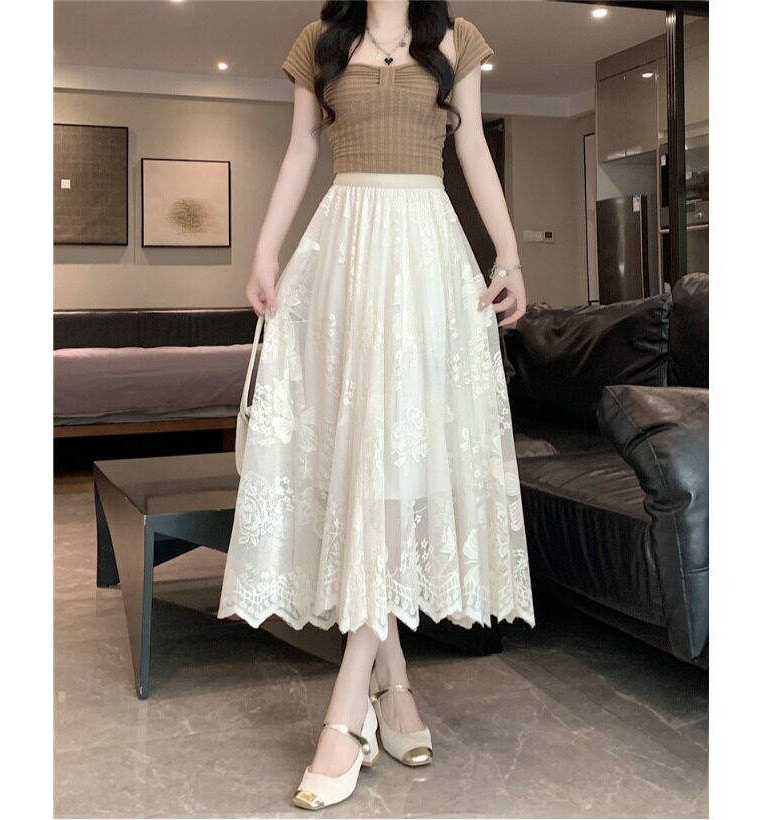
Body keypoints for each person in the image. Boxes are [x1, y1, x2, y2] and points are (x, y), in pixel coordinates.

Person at [216, 0, 536, 809]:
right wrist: (264, 251)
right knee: (364, 463)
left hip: (426, 254)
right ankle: (396, 686)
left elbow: (472, 147)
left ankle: (348, 704)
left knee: (401, 462)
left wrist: (508, 254)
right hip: (346, 252)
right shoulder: (318, 41)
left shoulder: (456, 39)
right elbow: (301, 147)